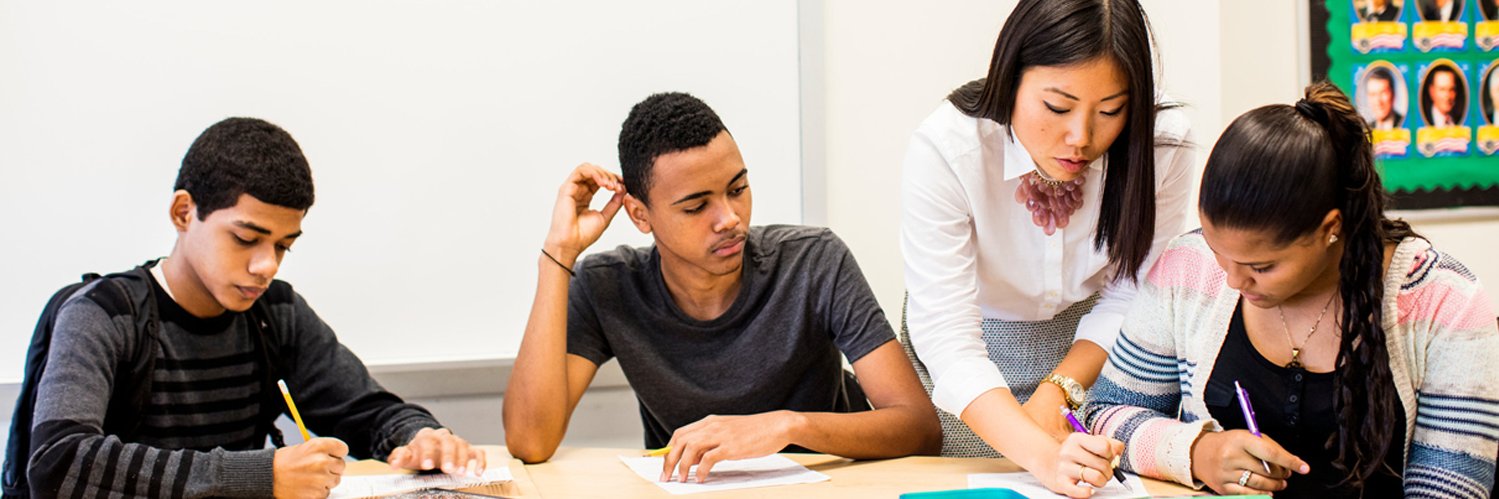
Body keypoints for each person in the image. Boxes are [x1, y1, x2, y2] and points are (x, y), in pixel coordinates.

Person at [1073, 82, 1499, 497]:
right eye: (1219, 250)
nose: (1234, 280)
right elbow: (1104, 414)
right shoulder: (1189, 269)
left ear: (1330, 228)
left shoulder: (1444, 303)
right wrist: (1197, 452)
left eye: (1262, 266)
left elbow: (1454, 486)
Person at [22, 118, 484, 498]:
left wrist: (421, 438)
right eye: (246, 239)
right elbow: (56, 462)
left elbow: (366, 410)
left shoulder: (275, 311)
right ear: (184, 213)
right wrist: (259, 476)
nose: (266, 266)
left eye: (284, 246)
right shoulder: (102, 314)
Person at [502, 92, 941, 483]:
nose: (729, 217)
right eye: (696, 206)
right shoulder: (608, 286)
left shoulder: (814, 261)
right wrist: (557, 256)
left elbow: (919, 428)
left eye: (738, 189)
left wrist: (787, 426)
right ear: (640, 215)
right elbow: (530, 441)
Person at [899, 0, 1196, 494]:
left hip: (1098, 347)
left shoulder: (1163, 144)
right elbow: (948, 337)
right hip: (974, 361)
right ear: (1010, 75)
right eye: (1057, 107)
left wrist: (1060, 390)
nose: (1080, 137)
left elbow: (1129, 295)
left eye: (1111, 111)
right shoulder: (949, 147)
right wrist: (1041, 454)